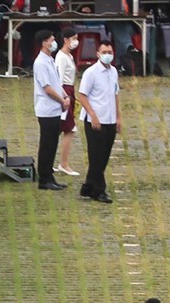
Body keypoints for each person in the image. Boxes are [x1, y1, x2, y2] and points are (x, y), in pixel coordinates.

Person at [77, 40, 121, 204]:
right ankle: (99, 190)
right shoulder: (91, 72)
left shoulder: (114, 72)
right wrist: (92, 114)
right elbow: (82, 95)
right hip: (95, 120)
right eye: (105, 52)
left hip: (109, 119)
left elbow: (115, 94)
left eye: (110, 52)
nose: (108, 55)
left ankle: (89, 186)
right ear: (98, 54)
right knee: (96, 156)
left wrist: (118, 117)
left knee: (104, 156)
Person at [33, 29, 70, 191]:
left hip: (55, 109)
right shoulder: (40, 63)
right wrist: (62, 100)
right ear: (44, 43)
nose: (54, 42)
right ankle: (44, 178)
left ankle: (49, 175)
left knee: (52, 143)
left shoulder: (49, 60)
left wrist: (65, 95)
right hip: (47, 110)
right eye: (51, 40)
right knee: (47, 144)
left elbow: (56, 83)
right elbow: (47, 88)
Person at [55, 28, 80, 177]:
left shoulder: (68, 56)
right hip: (65, 91)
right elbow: (58, 79)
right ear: (66, 39)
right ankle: (63, 163)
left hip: (70, 90)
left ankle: (55, 161)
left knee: (61, 128)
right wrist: (64, 97)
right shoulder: (61, 57)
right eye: (73, 38)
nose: (76, 41)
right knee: (69, 129)